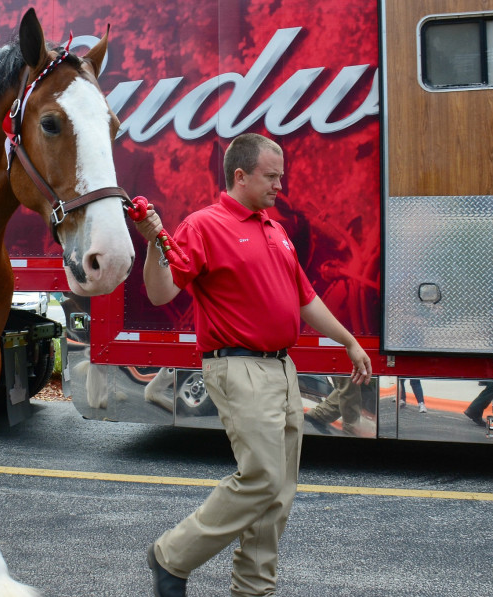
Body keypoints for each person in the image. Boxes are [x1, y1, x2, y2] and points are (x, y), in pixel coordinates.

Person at [133, 133, 371, 597]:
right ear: (240, 176)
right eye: (271, 176)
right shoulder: (204, 226)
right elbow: (162, 292)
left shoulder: (274, 229)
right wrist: (151, 244)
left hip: (282, 369)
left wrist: (349, 341)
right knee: (262, 475)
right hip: (237, 367)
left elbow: (306, 298)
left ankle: (253, 591)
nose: (280, 185)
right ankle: (171, 556)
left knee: (278, 493)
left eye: (281, 176)